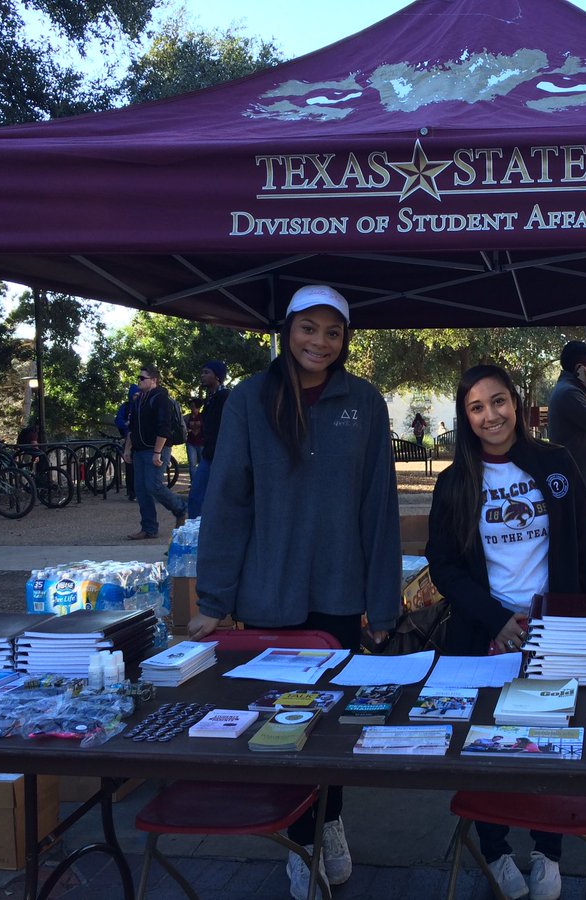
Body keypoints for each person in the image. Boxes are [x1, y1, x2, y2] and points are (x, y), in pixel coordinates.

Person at [189, 285, 401, 896]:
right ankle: (299, 839)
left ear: (345, 341)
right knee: (279, 723)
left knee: (332, 724)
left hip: (339, 594)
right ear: (287, 330)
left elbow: (378, 508)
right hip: (267, 593)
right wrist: (212, 601)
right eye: (309, 329)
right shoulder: (251, 400)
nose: (320, 343)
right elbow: (227, 500)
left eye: (332, 333)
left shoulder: (363, 401)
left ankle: (327, 822)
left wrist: (381, 606)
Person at [427, 364, 586, 900]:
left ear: (517, 402)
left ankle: (548, 850)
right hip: (486, 636)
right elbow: (444, 566)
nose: (491, 415)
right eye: (477, 407)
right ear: (466, 417)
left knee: (550, 743)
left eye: (499, 401)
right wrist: (495, 619)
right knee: (486, 747)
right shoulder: (456, 480)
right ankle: (496, 850)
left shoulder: (554, 464)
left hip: (556, 636)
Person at [121, 365, 186, 540]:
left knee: (153, 485)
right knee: (141, 490)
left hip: (156, 448)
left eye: (143, 378)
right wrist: (127, 449)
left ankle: (180, 508)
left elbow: (164, 428)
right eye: (139, 378)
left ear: (154, 380)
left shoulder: (161, 399)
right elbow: (132, 427)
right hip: (140, 450)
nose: (139, 381)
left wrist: (157, 452)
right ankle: (149, 528)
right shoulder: (138, 400)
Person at [547, 340, 586, 514]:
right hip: (578, 478)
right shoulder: (569, 393)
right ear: (579, 368)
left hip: (578, 475)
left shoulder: (569, 390)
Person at [185, 360, 229, 520]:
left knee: (203, 496)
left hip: (221, 456)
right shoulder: (211, 399)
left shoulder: (224, 398)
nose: (202, 376)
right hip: (209, 454)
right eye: (202, 372)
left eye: (206, 372)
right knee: (197, 496)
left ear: (217, 376)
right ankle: (196, 530)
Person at [114, 384, 140, 500]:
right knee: (130, 467)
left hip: (140, 440)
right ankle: (132, 492)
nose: (136, 397)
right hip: (128, 438)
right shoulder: (125, 407)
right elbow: (118, 420)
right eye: (135, 395)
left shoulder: (142, 405)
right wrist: (125, 424)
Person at [184, 401, 204, 483]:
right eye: (191, 407)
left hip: (202, 443)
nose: (193, 409)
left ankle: (202, 481)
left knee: (202, 463)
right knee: (192, 464)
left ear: (198, 408)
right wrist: (186, 430)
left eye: (194, 407)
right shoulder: (187, 417)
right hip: (191, 443)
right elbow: (182, 427)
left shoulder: (202, 417)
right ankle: (194, 482)